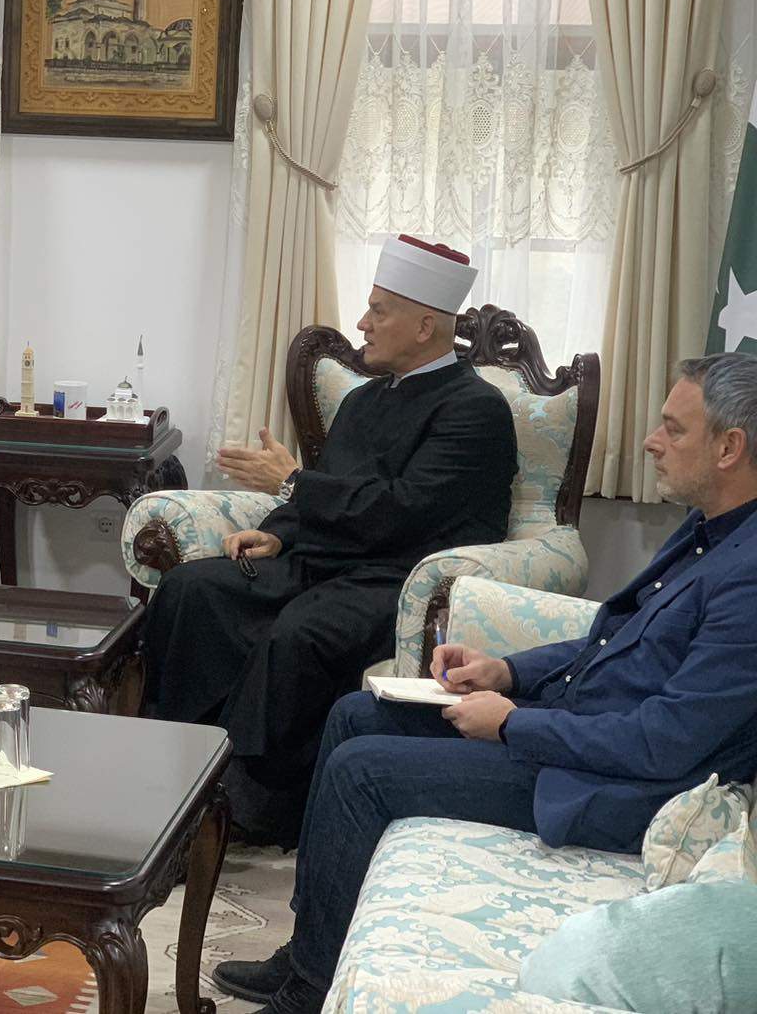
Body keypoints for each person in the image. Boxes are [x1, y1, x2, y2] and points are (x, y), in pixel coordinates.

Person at [214, 352, 757, 1013]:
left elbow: (664, 743)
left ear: (729, 447)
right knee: (356, 714)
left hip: (616, 786)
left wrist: (512, 723)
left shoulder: (749, 577)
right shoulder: (709, 531)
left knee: (363, 773)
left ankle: (308, 991)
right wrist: (507, 669)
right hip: (582, 735)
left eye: (673, 428)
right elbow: (610, 638)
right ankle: (311, 952)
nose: (651, 441)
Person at [142, 236, 518, 845]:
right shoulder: (364, 399)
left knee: (298, 635)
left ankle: (249, 808)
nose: (363, 324)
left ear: (425, 326)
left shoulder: (476, 408)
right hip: (325, 559)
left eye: (378, 311)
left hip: (398, 578)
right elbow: (330, 489)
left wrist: (292, 481)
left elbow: (401, 510)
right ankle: (175, 767)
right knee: (193, 590)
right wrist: (278, 534)